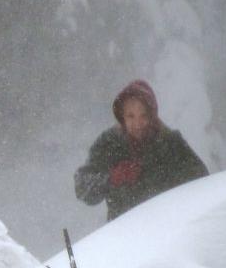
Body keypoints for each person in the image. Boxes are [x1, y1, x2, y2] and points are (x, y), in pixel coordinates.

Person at [75, 79, 208, 221]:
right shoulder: (109, 143)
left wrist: (166, 178)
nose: (138, 124)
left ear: (152, 116)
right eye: (131, 116)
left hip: (168, 227)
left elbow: (202, 181)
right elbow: (82, 188)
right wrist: (111, 178)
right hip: (123, 231)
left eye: (143, 115)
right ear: (122, 116)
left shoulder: (170, 143)